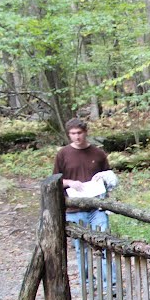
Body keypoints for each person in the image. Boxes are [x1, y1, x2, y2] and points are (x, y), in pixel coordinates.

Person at [53, 118, 115, 287]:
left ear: (85, 132)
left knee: (104, 242)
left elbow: (109, 177)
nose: (76, 137)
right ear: (68, 135)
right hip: (74, 208)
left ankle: (110, 281)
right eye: (73, 133)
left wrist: (104, 178)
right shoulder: (63, 154)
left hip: (97, 206)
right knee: (82, 248)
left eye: (79, 133)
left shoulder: (98, 154)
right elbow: (55, 180)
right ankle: (87, 281)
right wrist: (70, 182)